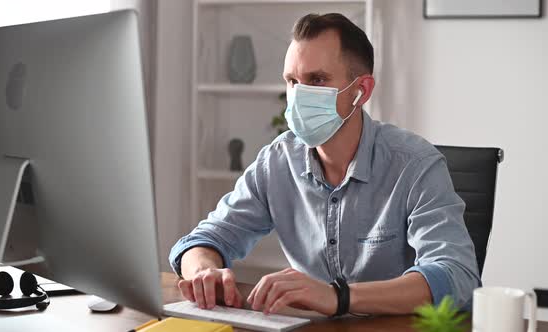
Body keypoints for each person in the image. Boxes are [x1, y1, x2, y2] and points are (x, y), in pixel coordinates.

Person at [169, 13, 480, 317]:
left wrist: (339, 297)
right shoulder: (277, 161)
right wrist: (203, 273)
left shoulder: (415, 164)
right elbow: (204, 240)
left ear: (361, 91)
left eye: (316, 80)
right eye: (292, 81)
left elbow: (457, 276)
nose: (299, 95)